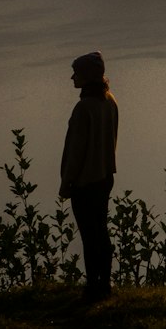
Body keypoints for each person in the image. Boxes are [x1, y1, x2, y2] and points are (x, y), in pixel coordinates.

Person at [60, 50, 119, 302]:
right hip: (105, 177)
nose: (72, 77)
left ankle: (92, 286)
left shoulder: (84, 108)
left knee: (88, 235)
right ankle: (104, 283)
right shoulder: (110, 101)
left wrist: (66, 183)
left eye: (76, 72)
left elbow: (76, 151)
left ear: (86, 77)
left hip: (85, 182)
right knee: (101, 231)